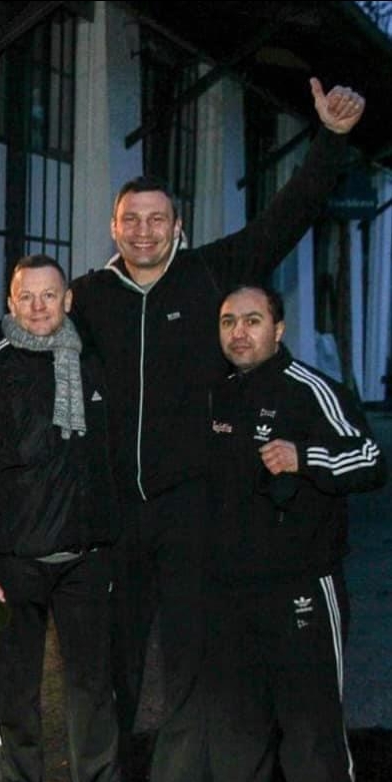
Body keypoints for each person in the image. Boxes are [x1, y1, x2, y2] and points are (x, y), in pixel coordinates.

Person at [0, 78, 365, 782]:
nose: (143, 230)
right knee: (113, 666)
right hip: (115, 518)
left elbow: (285, 220)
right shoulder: (92, 295)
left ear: (177, 226)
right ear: (115, 228)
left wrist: (330, 141)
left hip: (192, 513)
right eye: (131, 220)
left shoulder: (209, 276)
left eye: (157, 219)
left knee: (192, 662)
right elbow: (35, 319)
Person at [203, 284, 388, 782]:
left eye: (253, 321)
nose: (239, 332)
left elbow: (370, 459)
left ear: (279, 329)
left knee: (312, 739)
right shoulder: (218, 393)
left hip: (300, 589)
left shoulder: (310, 389)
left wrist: (304, 457)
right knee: (238, 739)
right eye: (228, 322)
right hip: (230, 596)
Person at [0, 255, 121, 782]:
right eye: (26, 296)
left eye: (49, 295)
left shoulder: (96, 361)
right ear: (10, 302)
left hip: (86, 563)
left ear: (68, 300)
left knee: (92, 690)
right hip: (10, 571)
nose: (38, 306)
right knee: (15, 691)